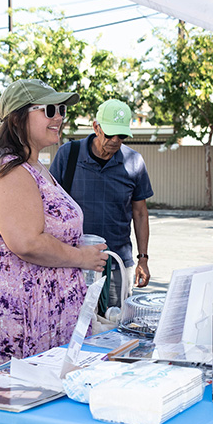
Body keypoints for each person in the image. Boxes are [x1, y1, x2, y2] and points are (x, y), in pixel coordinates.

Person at [0, 79, 107, 381]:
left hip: (36, 312)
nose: (59, 117)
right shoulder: (8, 170)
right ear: (18, 118)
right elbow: (27, 242)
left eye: (62, 110)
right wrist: (81, 258)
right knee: (7, 398)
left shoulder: (32, 166)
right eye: (50, 110)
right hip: (9, 316)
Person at [50, 98, 153, 308]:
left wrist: (143, 258)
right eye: (110, 133)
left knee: (114, 322)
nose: (115, 140)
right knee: (73, 322)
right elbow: (50, 206)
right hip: (73, 262)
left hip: (116, 264)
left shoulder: (134, 162)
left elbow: (140, 213)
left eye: (121, 135)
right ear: (96, 127)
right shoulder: (68, 155)